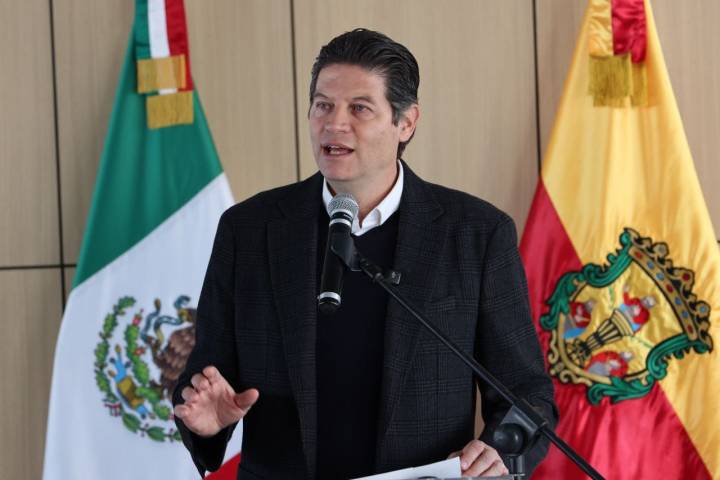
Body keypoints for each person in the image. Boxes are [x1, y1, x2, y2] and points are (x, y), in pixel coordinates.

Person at [173, 28, 557, 480]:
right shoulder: (249, 230)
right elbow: (207, 378)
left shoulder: (476, 234)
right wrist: (205, 422)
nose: (334, 124)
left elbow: (525, 392)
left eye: (359, 108)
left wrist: (500, 451)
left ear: (406, 122)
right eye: (322, 105)